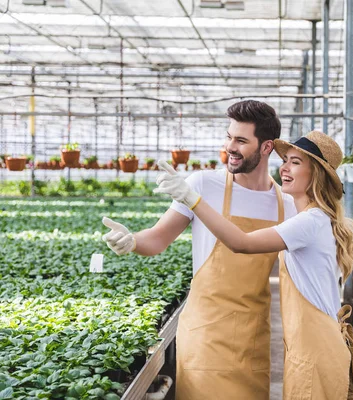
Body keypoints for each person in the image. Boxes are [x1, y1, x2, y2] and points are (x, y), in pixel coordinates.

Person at [153, 130, 353, 400]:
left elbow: (242, 243)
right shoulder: (316, 219)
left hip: (314, 350)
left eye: (295, 162)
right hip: (315, 347)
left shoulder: (308, 221)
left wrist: (194, 201)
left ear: (315, 173)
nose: (284, 167)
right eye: (285, 160)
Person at [101, 100, 298, 400]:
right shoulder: (203, 184)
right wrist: (133, 241)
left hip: (252, 338)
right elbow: (158, 238)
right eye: (229, 136)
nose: (230, 146)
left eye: (241, 140)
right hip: (206, 332)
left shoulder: (285, 203)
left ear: (266, 147)